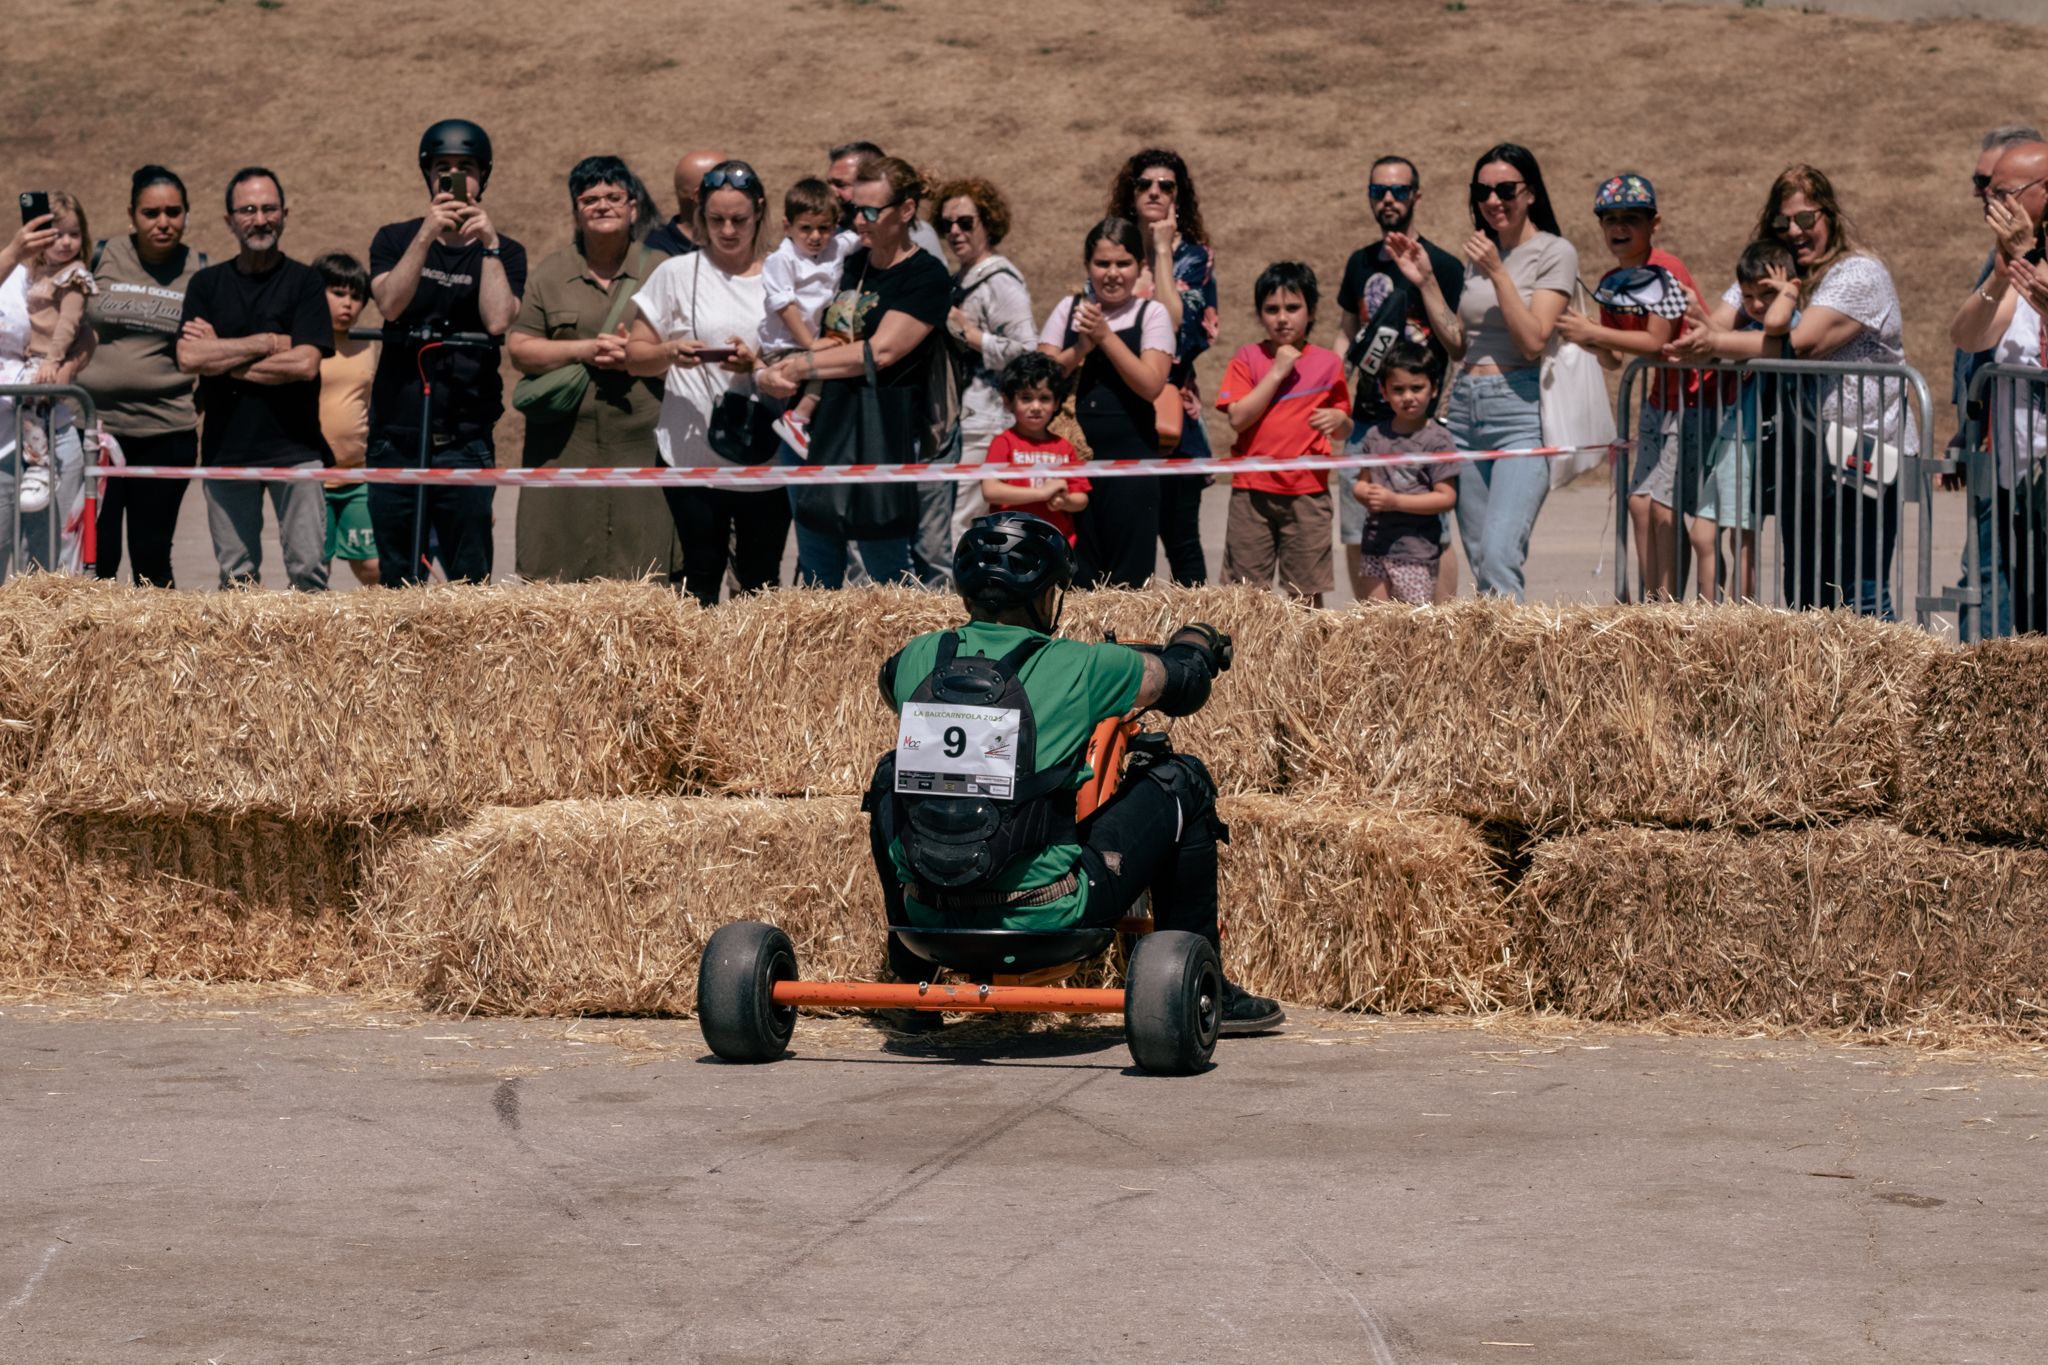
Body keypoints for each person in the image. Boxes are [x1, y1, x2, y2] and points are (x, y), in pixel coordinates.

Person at [866, 510, 1284, 1035]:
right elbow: (1184, 684)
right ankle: (1205, 986)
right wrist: (1195, 641)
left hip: (926, 922)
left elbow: (890, 689)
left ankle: (909, 983)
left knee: (889, 776)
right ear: (1047, 595)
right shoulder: (1085, 666)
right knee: (1182, 779)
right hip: (1049, 917)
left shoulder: (915, 657)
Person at [1668, 164, 1916, 618]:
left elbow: (1800, 344)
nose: (1795, 231)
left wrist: (1714, 344)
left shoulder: (1859, 273)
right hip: (1803, 452)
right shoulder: (1773, 271)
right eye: (1783, 222)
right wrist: (1693, 330)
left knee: (1858, 590)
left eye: (1806, 219)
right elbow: (1722, 319)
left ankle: (1875, 688)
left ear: (1830, 217)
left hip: (1863, 449)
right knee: (1804, 590)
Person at [757, 156, 950, 590]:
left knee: (885, 567)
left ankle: (897, 657)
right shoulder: (847, 262)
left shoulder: (926, 276)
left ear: (905, 210)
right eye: (854, 211)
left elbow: (880, 352)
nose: (858, 222)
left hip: (880, 430)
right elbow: (797, 318)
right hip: (813, 431)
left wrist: (801, 363)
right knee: (817, 565)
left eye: (870, 211)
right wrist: (765, 369)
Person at [365, 118, 527, 586]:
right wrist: (426, 236)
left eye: (465, 168)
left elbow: (498, 320)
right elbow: (391, 303)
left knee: (469, 577)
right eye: (443, 168)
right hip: (396, 438)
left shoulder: (507, 251)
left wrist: (489, 247)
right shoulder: (394, 239)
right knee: (398, 576)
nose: (454, 178)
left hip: (464, 441)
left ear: (483, 176)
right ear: (427, 175)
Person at [627, 159, 791, 607]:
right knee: (696, 583)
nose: (728, 230)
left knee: (759, 586)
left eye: (739, 219)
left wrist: (756, 365)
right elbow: (634, 356)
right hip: (691, 459)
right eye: (716, 219)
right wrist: (667, 353)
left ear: (759, 211)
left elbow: (809, 354)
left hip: (766, 457)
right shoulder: (676, 273)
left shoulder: (783, 273)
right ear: (700, 216)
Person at [507, 155, 677, 583]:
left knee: (645, 570)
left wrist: (637, 357)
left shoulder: (661, 270)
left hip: (644, 442)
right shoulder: (550, 273)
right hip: (563, 445)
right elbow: (521, 348)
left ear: (633, 207)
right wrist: (584, 349)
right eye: (590, 199)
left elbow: (683, 350)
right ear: (576, 211)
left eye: (613, 197)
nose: (602, 205)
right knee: (555, 568)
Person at [176, 166, 332, 591]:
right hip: (227, 450)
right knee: (236, 579)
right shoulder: (206, 284)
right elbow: (190, 355)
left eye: (268, 208)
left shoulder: (306, 282)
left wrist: (223, 355)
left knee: (309, 575)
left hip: (297, 449)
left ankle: (314, 660)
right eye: (247, 209)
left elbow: (305, 365)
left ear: (285, 213)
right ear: (229, 219)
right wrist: (267, 342)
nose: (260, 219)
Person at [1554, 172, 1706, 600]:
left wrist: (1593, 333)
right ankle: (1649, 605)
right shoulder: (1613, 282)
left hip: (1699, 398)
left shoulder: (1666, 271)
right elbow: (1614, 357)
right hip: (1662, 400)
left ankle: (1669, 606)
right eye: (1610, 219)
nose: (1619, 228)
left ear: (1653, 224)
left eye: (1632, 219)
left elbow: (1656, 341)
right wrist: (1582, 335)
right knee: (1639, 503)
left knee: (1664, 509)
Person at [1441, 144, 1577, 602]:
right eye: (1483, 191)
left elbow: (1534, 340)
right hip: (1463, 409)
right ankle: (1490, 669)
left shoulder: (1553, 252)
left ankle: (1516, 670)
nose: (1493, 200)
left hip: (1519, 411)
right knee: (1481, 559)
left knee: (1500, 556)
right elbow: (1461, 344)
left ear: (1531, 193)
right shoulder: (1480, 255)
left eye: (1505, 189)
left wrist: (1498, 273)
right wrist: (1423, 282)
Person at [1337, 155, 1465, 603]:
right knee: (1358, 526)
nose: (1388, 199)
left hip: (1420, 424)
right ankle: (1373, 629)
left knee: (1434, 531)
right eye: (1378, 191)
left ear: (1416, 196)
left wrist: (1427, 283)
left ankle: (1443, 627)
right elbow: (1348, 331)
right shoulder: (1359, 262)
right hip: (1367, 421)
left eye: (1398, 190)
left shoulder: (1443, 265)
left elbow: (1456, 341)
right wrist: (1334, 389)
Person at [83, 166, 206, 588]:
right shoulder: (102, 255)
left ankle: (157, 654)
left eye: (174, 212)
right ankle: (92, 652)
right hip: (95, 434)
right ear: (132, 215)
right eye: (150, 212)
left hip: (165, 433)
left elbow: (208, 346)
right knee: (96, 558)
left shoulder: (199, 270)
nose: (163, 222)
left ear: (187, 214)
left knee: (151, 557)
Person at [1036, 217, 1174, 588]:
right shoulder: (1069, 308)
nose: (1112, 274)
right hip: (1071, 467)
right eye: (1102, 264)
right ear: (1088, 267)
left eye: (1123, 263)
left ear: (1140, 268)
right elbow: (1038, 379)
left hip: (1131, 467)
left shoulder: (1152, 313)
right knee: (1074, 578)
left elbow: (1151, 384)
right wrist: (1080, 347)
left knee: (1128, 583)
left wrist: (1104, 336)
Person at [1949, 138, 2048, 634]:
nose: (1994, 204)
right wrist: (2004, 272)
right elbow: (1969, 336)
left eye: (2005, 192)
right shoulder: (2015, 259)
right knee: (2031, 620)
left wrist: (2029, 256)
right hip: (2022, 473)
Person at [1110, 149, 1217, 585]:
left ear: (1179, 196)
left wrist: (1160, 253)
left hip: (1174, 418)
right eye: (1144, 184)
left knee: (1182, 542)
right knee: (1125, 543)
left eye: (1166, 185)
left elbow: (1180, 330)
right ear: (1130, 193)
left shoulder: (1194, 256)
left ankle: (1196, 644)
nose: (1154, 192)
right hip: (1118, 409)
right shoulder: (1112, 250)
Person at [1215, 261, 1350, 605]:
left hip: (1308, 493)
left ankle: (1303, 659)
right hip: (1252, 493)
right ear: (1260, 315)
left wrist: (1339, 418)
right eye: (1271, 309)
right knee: (1244, 594)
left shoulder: (1328, 363)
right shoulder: (1248, 358)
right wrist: (1276, 372)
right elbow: (1238, 418)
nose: (1282, 318)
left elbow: (1344, 425)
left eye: (1293, 307)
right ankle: (1247, 658)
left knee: (1305, 593)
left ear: (1311, 310)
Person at [1694, 241, 1802, 604]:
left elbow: (1776, 327)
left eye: (1766, 294)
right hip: (1730, 437)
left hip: (1754, 440)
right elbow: (1714, 342)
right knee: (1702, 535)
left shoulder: (1787, 325)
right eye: (1748, 295)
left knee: (1742, 538)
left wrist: (1788, 294)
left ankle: (1741, 620)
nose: (1756, 305)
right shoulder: (1750, 327)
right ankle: (1706, 619)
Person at [933, 177, 1038, 546]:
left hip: (988, 419)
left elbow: (1027, 349)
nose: (955, 232)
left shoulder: (1000, 279)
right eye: (946, 225)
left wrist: (972, 336)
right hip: (963, 418)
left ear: (988, 223)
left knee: (964, 522)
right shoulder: (961, 278)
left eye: (966, 222)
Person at [0, 209, 93, 583]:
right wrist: (11, 253)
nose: (63, 242)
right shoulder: (10, 269)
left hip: (51, 432)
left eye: (71, 234)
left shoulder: (49, 276)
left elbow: (85, 332)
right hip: (2, 439)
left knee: (46, 564)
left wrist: (66, 368)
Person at [1351, 341, 1459, 604]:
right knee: (1377, 625)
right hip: (1375, 548)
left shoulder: (1438, 440)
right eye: (1398, 390)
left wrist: (1395, 502)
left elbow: (1446, 498)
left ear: (1433, 389)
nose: (1408, 397)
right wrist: (1364, 492)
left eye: (1416, 388)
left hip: (1417, 553)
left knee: (1413, 629)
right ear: (1384, 392)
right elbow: (1362, 482)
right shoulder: (1375, 436)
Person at [759, 177, 853, 454]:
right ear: (787, 227)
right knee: (832, 365)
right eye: (806, 228)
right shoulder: (782, 259)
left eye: (824, 228)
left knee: (838, 362)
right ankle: (798, 418)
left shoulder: (835, 247)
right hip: (785, 346)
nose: (815, 236)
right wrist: (811, 344)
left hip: (811, 343)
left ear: (835, 226)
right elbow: (784, 306)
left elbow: (861, 235)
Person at [314, 251, 379, 586]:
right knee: (314, 567)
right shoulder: (303, 339)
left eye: (356, 297)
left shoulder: (369, 343)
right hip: (313, 479)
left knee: (372, 566)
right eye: (338, 293)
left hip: (358, 476)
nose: (348, 305)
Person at [979, 352, 1088, 544]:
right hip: (1010, 544)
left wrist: (1066, 502)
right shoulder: (1003, 442)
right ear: (1008, 401)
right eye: (1026, 398)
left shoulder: (1063, 447)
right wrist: (1042, 494)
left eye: (1044, 398)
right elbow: (990, 490)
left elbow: (1081, 498)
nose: (1036, 406)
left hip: (1056, 545)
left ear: (1056, 403)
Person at [825, 141, 947, 257]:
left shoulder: (916, 237)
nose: (830, 193)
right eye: (828, 184)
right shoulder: (830, 234)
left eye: (840, 185)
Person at [644, 149, 723, 257]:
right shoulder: (656, 254)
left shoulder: (743, 239)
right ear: (700, 196)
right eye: (725, 186)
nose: (736, 191)